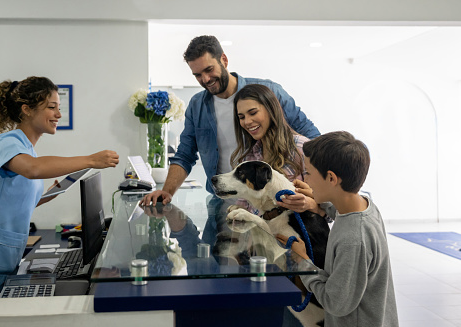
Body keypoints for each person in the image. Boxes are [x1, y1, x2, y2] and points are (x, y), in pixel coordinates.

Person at [0, 76, 120, 298]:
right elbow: (33, 169)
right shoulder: (7, 142)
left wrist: (49, 194)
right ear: (27, 110)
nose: (59, 114)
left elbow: (14, 199)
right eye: (52, 107)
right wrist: (90, 160)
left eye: (59, 108)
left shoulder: (26, 149)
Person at [141, 35, 320, 206]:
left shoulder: (269, 91)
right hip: (222, 202)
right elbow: (185, 154)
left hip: (272, 203)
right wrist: (167, 191)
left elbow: (313, 139)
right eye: (197, 75)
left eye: (209, 70)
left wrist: (315, 198)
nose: (205, 79)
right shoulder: (197, 105)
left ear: (224, 60)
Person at [291, 131, 399, 327]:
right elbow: (343, 213)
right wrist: (319, 202)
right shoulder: (365, 205)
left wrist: (302, 261)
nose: (305, 180)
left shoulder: (353, 240)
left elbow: (335, 303)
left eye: (308, 173)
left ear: (331, 178)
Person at [232, 83, 326, 217]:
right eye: (241, 117)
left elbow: (330, 209)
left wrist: (310, 204)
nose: (247, 121)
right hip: (261, 235)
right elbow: (245, 206)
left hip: (299, 235)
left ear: (271, 109)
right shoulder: (250, 157)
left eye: (253, 113)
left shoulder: (302, 148)